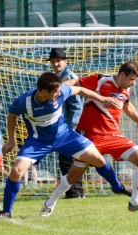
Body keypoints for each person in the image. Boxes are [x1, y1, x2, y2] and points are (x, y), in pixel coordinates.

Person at [0, 71, 122, 220]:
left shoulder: (60, 92)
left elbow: (79, 89)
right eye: (55, 92)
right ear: (43, 91)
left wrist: (103, 98)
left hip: (64, 136)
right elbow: (12, 115)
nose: (59, 94)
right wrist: (10, 141)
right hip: (38, 141)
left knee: (97, 158)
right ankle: (6, 212)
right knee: (16, 170)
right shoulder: (24, 102)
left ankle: (118, 187)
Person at [40, 61, 138, 217]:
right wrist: (57, 92)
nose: (133, 84)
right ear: (122, 75)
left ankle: (135, 201)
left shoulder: (126, 89)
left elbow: (126, 105)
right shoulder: (100, 80)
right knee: (73, 176)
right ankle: (50, 203)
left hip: (114, 136)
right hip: (91, 137)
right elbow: (75, 82)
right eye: (131, 79)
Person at [47, 47, 84, 198]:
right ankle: (75, 192)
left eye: (59, 61)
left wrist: (72, 127)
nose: (56, 64)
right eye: (53, 61)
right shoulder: (58, 78)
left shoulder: (69, 77)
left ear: (65, 61)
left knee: (68, 161)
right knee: (69, 161)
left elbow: (76, 106)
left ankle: (74, 193)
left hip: (70, 128)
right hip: (64, 127)